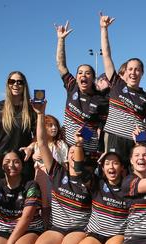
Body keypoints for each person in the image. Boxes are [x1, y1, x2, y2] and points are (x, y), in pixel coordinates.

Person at [29, 102, 92, 244]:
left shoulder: (88, 180)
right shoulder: (56, 172)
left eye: (78, 155)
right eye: (72, 153)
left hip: (79, 229)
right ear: (66, 157)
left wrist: (79, 145)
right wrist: (40, 115)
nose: (74, 157)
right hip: (57, 228)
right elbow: (42, 142)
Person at [99, 13, 146, 159]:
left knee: (135, 175)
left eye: (137, 69)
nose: (133, 72)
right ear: (125, 71)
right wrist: (104, 29)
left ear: (142, 73)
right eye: (130, 69)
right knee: (113, 173)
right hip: (114, 136)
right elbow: (106, 55)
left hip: (138, 140)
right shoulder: (117, 84)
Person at [55, 20, 108, 162]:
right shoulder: (72, 87)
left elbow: (102, 129)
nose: (83, 75)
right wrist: (61, 40)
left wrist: (85, 137)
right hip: (67, 150)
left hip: (89, 152)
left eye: (87, 73)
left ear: (93, 78)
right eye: (80, 73)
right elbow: (61, 65)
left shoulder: (100, 99)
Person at [0, 71, 36, 180]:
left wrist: (30, 148)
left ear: (24, 85)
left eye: (19, 82)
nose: (16, 84)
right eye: (12, 81)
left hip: (23, 161)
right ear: (8, 84)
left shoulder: (32, 109)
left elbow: (38, 135)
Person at [27, 115, 68, 228]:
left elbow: (65, 163)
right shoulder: (37, 144)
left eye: (55, 125)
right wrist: (32, 154)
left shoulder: (61, 144)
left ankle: (56, 225)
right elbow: (32, 150)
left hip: (56, 177)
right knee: (44, 204)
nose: (54, 128)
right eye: (50, 126)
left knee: (55, 203)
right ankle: (44, 227)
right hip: (41, 177)